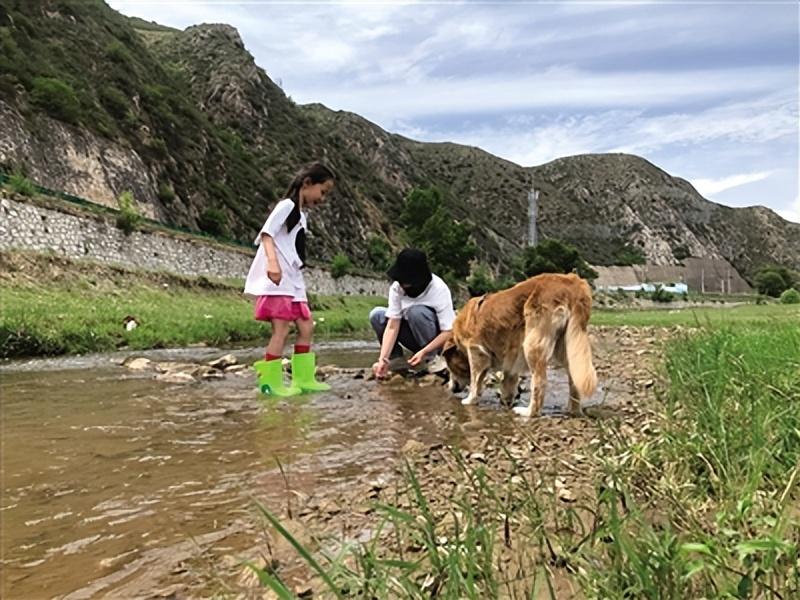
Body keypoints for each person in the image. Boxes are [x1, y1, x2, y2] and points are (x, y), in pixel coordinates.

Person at [244, 162, 335, 396]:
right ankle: (270, 383)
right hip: (279, 277)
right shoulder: (286, 206)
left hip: (293, 279)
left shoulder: (301, 215)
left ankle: (303, 379)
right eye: (322, 191)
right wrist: (272, 264)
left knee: (306, 325)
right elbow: (266, 234)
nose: (323, 198)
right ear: (307, 184)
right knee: (281, 329)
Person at [370, 248, 455, 379]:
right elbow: (393, 325)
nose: (402, 286)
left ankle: (433, 360)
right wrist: (383, 359)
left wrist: (425, 352)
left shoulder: (439, 289)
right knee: (377, 315)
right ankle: (395, 361)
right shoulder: (397, 288)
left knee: (416, 312)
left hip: (434, 341)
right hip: (412, 337)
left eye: (406, 282)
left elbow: (449, 332)